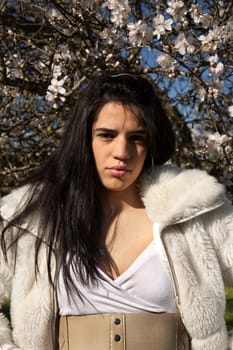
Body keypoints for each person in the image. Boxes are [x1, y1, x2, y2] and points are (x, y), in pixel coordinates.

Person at [0, 71, 232, 350]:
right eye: (107, 135)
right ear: (84, 139)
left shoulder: (190, 208)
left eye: (136, 138)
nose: (122, 151)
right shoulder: (35, 219)